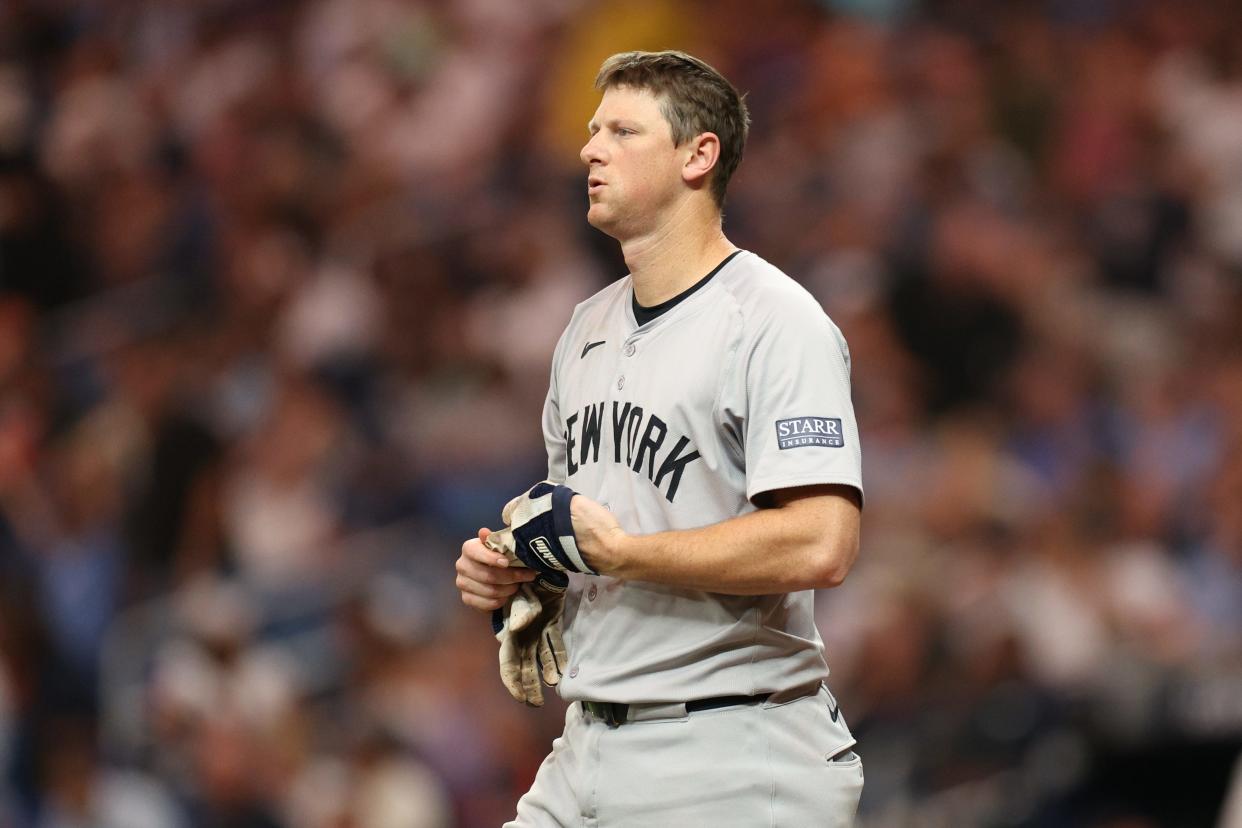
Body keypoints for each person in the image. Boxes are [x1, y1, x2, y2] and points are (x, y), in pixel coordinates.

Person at [455, 50, 865, 826]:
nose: (589, 148)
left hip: (733, 748)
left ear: (697, 155)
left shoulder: (776, 321)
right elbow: (587, 531)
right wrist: (518, 572)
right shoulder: (584, 329)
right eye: (591, 130)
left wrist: (623, 556)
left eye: (621, 129)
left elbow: (823, 543)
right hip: (587, 747)